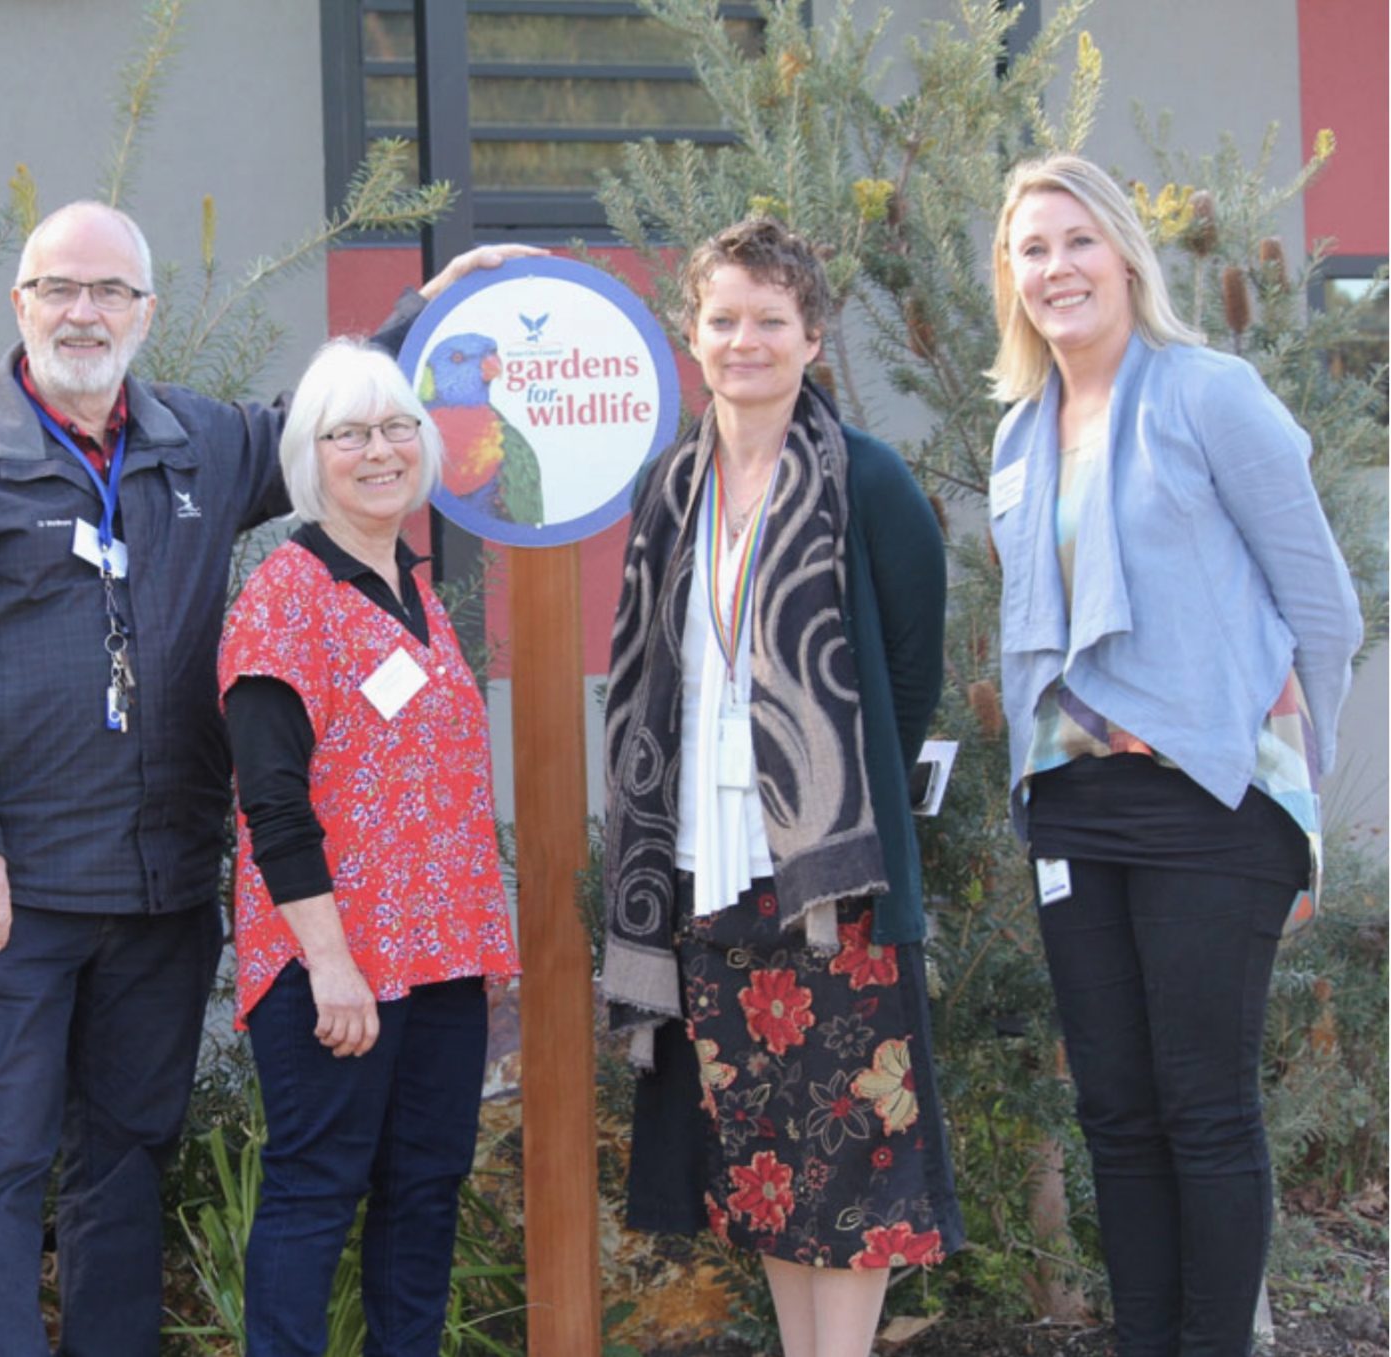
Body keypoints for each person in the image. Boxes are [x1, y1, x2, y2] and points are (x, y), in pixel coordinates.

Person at [0, 198, 534, 1356]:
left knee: (125, 1154)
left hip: (160, 883)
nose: (83, 311)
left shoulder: (198, 443)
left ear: (145, 311)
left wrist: (426, 312)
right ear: (17, 304)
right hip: (12, 887)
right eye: (59, 288)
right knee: (0, 1158)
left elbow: (335, 427)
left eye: (109, 291)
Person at [986, 154, 1361, 1356]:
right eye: (1031, 250)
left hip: (1211, 799)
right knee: (1114, 1109)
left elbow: (1325, 613)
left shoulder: (1211, 394)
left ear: (1124, 256)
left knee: (1201, 1108)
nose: (1056, 269)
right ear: (1012, 279)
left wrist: (1295, 808)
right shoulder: (1015, 435)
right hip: (1074, 806)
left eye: (1076, 240)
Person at [601, 218, 962, 1357]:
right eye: (722, 319)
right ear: (690, 336)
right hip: (701, 873)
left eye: (769, 319)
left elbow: (910, 669)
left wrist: (832, 809)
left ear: (812, 336)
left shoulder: (866, 476)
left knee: (849, 1163)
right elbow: (641, 675)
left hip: (825, 879)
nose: (743, 339)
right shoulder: (667, 488)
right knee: (761, 1155)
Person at [218, 339, 520, 1355]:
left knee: (423, 1193)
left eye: (397, 427)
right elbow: (272, 803)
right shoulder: (283, 596)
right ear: (311, 455)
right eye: (348, 433)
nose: (378, 451)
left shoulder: (412, 588)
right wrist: (332, 961)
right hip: (331, 963)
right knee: (317, 1189)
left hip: (440, 959)